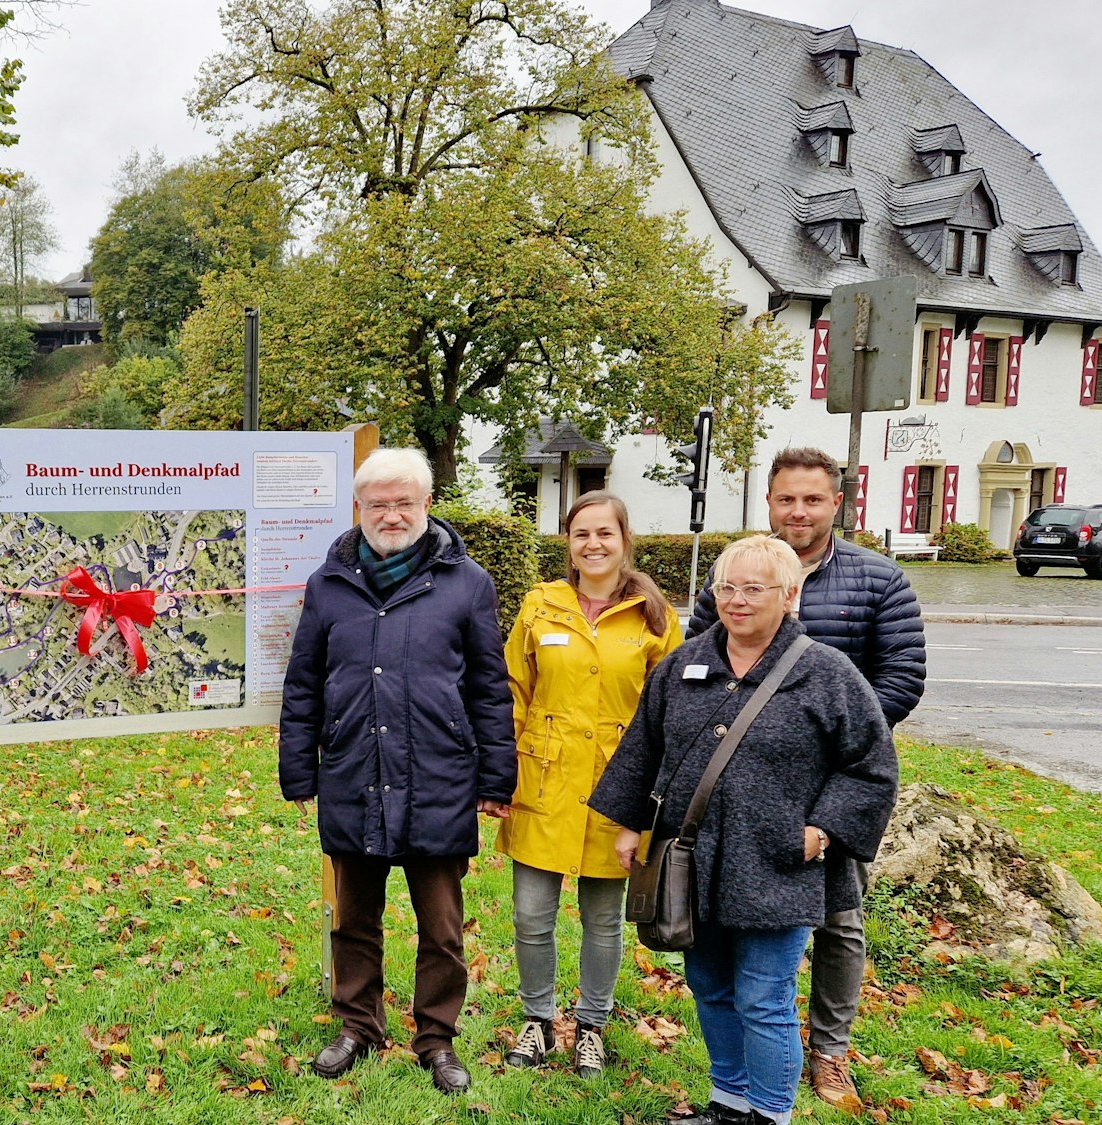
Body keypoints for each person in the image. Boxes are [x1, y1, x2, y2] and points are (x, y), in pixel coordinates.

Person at [593, 536, 898, 1125]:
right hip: (692, 858)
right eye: (727, 586)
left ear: (789, 595)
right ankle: (728, 1104)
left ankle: (769, 1114)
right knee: (710, 986)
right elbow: (645, 745)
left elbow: (871, 765)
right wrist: (632, 824)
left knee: (764, 998)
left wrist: (825, 831)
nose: (736, 600)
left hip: (777, 864)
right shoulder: (684, 663)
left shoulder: (825, 672)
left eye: (754, 588)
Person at [686, 446, 926, 1112]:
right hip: (745, 791)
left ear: (836, 503)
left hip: (833, 785)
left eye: (812, 498)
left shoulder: (878, 580)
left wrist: (822, 740)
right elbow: (699, 666)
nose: (798, 509)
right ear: (769, 501)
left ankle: (829, 1050)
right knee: (744, 946)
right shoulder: (736, 570)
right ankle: (740, 1091)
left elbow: (902, 675)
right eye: (786, 497)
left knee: (840, 924)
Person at [278, 448, 517, 1096]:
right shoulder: (329, 584)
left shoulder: (467, 583)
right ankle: (360, 1024)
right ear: (360, 508)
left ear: (426, 505)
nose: (391, 514)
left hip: (438, 777)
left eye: (403, 502)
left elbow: (490, 690)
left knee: (440, 924)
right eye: (377, 503)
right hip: (354, 772)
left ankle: (436, 1037)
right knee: (354, 915)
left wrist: (497, 779)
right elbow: (303, 684)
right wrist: (298, 772)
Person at [497, 492, 679, 1078]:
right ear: (568, 544)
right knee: (531, 914)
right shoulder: (540, 607)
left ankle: (593, 1024)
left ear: (625, 540)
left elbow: (672, 714)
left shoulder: (654, 617)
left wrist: (649, 802)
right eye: (581, 534)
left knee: (603, 920)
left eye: (605, 533)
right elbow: (512, 693)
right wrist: (500, 773)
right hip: (543, 784)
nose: (593, 545)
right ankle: (537, 1019)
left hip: (617, 790)